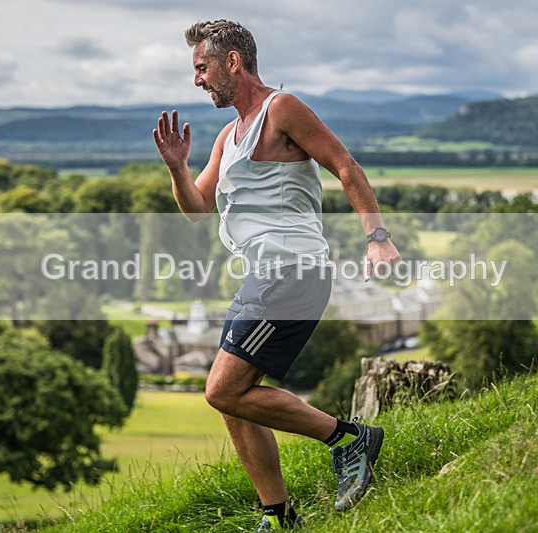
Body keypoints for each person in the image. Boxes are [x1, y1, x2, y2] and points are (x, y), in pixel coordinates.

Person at [153, 19, 401, 531]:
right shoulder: (228, 135)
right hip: (260, 276)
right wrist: (178, 168)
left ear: (233, 62)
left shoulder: (281, 109)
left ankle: (351, 439)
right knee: (233, 401)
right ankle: (279, 514)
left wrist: (377, 238)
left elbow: (346, 167)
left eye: (202, 68)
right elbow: (197, 208)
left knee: (221, 388)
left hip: (294, 270)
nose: (196, 79)